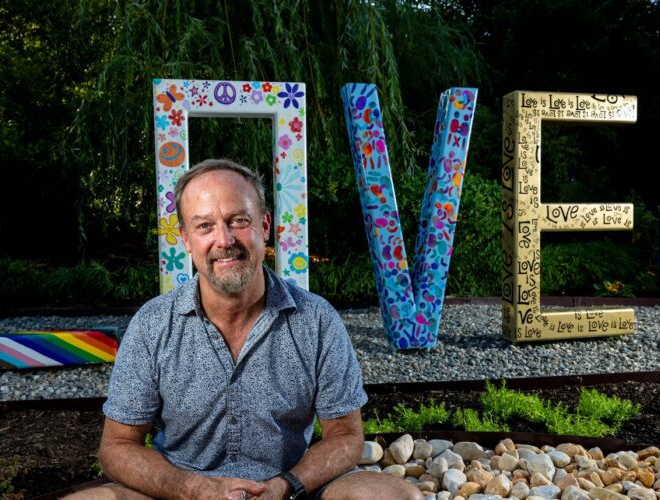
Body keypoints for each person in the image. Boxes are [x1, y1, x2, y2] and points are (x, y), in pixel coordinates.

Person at [71, 159, 422, 499]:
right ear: (185, 238)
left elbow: (345, 435)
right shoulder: (152, 325)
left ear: (265, 225)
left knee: (398, 497)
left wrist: (285, 486)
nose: (224, 240)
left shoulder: (315, 319)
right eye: (204, 226)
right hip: (178, 494)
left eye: (238, 220)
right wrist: (193, 490)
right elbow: (117, 446)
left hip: (290, 491)